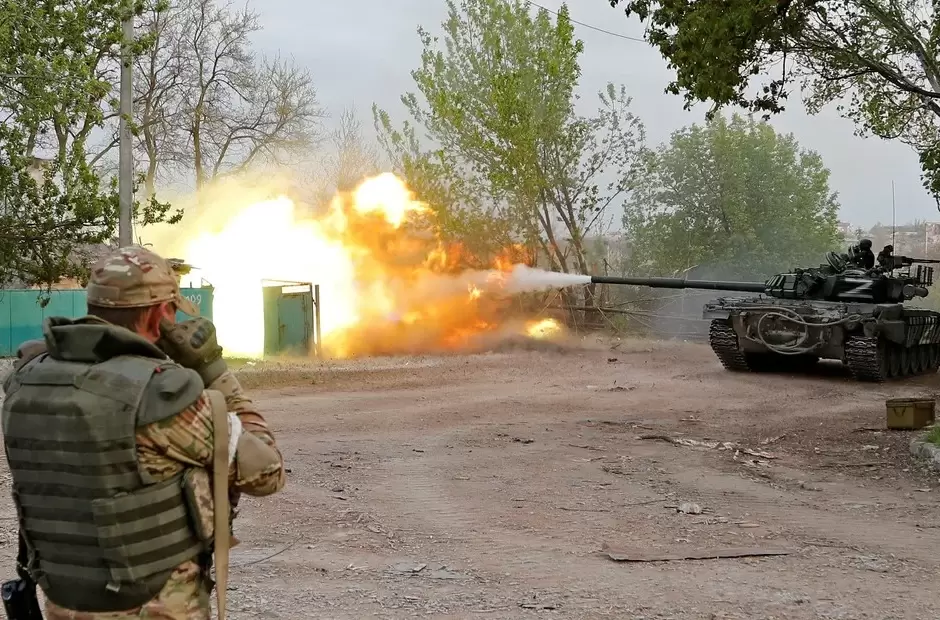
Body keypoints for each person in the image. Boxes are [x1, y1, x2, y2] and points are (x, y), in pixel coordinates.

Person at [1, 245, 286, 620]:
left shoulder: (30, 381)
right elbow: (267, 473)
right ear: (162, 315)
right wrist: (214, 371)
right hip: (154, 606)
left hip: (64, 603)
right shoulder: (160, 397)